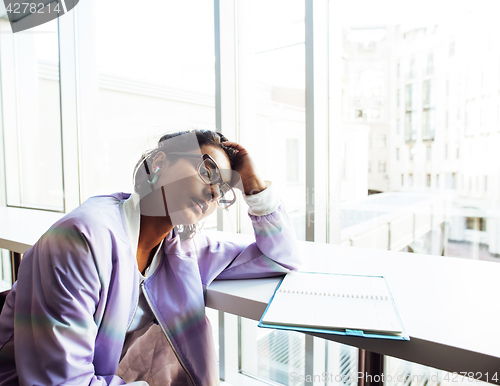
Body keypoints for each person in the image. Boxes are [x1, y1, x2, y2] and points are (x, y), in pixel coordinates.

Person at [0, 130, 301, 385]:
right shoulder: (81, 240)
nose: (212, 191)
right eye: (207, 170)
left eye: (222, 189)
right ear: (159, 162)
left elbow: (280, 257)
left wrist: (252, 182)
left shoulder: (179, 248)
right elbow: (62, 380)